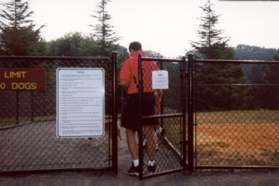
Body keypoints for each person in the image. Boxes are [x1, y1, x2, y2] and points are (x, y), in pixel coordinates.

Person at [119, 41, 159, 176]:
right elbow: (158, 82)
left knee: (130, 131)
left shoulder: (129, 62)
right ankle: (152, 164)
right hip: (149, 98)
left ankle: (137, 165)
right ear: (141, 49)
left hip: (133, 98)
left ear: (131, 50)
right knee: (149, 132)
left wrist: (123, 85)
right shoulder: (152, 62)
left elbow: (124, 82)